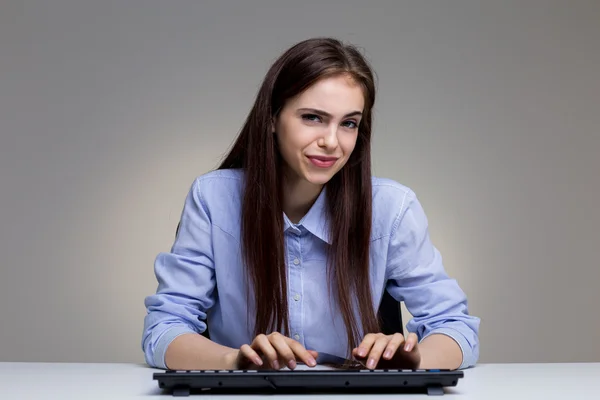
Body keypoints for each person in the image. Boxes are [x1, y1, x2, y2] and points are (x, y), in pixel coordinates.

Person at [142, 37, 480, 372]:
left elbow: (456, 327)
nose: (331, 142)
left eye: (349, 123)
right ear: (272, 118)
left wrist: (416, 360)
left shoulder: (392, 209)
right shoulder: (213, 199)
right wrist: (235, 361)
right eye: (313, 118)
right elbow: (164, 328)